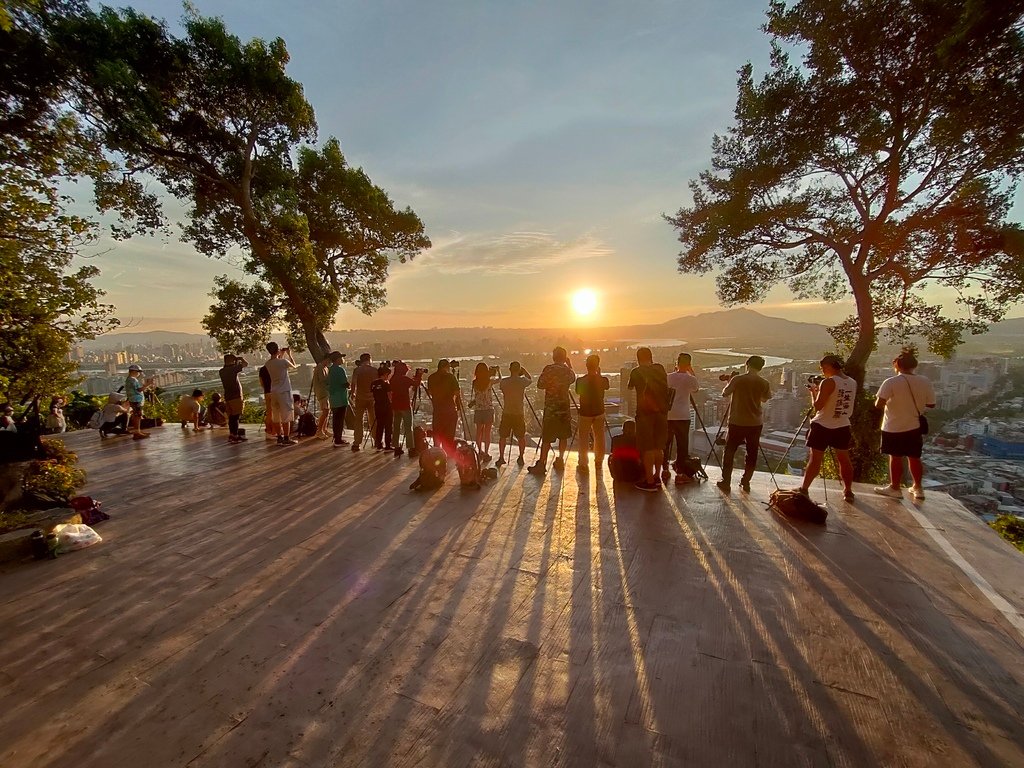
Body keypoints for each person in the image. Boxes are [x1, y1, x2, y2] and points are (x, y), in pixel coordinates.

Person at [874, 348, 936, 501]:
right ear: (914, 365)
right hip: (914, 425)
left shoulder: (890, 382)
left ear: (897, 365)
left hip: (893, 425)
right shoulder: (925, 381)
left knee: (895, 457)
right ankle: (918, 488)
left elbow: (878, 404)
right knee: (914, 457)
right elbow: (931, 404)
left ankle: (895, 487)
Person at [796, 355, 858, 502]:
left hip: (823, 425)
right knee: (844, 459)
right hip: (842, 424)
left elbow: (818, 406)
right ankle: (848, 491)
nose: (822, 371)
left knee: (815, 459)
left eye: (823, 367)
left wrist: (813, 394)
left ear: (829, 366)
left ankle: (804, 489)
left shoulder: (829, 382)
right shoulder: (852, 382)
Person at [716, 355, 772, 493]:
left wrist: (729, 382)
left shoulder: (738, 379)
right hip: (755, 422)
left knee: (729, 451)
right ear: (760, 367)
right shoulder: (764, 383)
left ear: (747, 364)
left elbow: (725, 393)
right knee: (752, 453)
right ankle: (746, 482)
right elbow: (765, 399)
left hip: (737, 421)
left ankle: (726, 481)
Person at [627, 347, 671, 491]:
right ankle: (657, 477)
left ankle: (649, 481)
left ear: (638, 358)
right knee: (659, 447)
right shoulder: (660, 368)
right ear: (651, 357)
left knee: (648, 448)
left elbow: (630, 387)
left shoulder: (636, 371)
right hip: (662, 413)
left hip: (645, 414)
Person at [529, 347, 575, 475]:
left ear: (553, 357)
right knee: (563, 436)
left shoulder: (548, 369)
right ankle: (560, 459)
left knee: (547, 437)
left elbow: (540, 384)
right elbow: (573, 379)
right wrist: (569, 365)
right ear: (564, 357)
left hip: (551, 409)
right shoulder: (567, 371)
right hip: (564, 409)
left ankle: (542, 463)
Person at [665, 353, 700, 483]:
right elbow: (696, 389)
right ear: (689, 364)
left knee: (666, 443)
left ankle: (664, 469)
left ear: (677, 363)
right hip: (683, 416)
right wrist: (691, 372)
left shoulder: (668, 377)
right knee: (682, 445)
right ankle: (680, 474)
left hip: (668, 415)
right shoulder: (690, 379)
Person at [574, 354, 609, 474]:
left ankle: (583, 463)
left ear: (586, 366)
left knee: (583, 438)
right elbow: (606, 386)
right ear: (597, 366)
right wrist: (599, 374)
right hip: (599, 411)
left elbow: (579, 391)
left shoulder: (581, 380)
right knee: (599, 437)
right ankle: (599, 461)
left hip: (585, 412)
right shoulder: (603, 380)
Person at [497, 362, 532, 467]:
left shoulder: (504, 382)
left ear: (509, 369)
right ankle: (521, 457)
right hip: (518, 413)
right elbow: (530, 379)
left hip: (507, 412)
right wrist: (524, 371)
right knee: (521, 437)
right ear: (519, 369)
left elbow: (501, 387)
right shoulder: (522, 381)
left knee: (503, 436)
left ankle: (501, 457)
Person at [264, 342, 298, 446]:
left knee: (276, 416)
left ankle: (279, 437)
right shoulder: (283, 361)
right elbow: (294, 366)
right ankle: (287, 438)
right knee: (286, 416)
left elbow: (277, 363)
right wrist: (289, 354)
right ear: (278, 349)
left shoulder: (268, 364)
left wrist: (280, 354)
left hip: (273, 391)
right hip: (284, 392)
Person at [426, 359, 461, 455]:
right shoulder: (451, 377)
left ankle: (437, 451)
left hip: (437, 409)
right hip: (449, 408)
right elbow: (457, 392)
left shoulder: (431, 378)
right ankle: (448, 451)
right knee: (449, 432)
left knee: (437, 431)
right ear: (446, 367)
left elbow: (430, 392)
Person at [390, 361, 424, 458]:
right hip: (405, 405)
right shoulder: (404, 379)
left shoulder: (393, 379)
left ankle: (396, 447)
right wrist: (419, 375)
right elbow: (416, 384)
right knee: (408, 428)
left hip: (395, 406)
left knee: (396, 427)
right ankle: (411, 448)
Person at [349, 353, 377, 452]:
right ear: (369, 359)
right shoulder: (374, 371)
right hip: (372, 398)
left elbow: (353, 384)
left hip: (360, 398)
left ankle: (357, 442)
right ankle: (377, 440)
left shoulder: (357, 370)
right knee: (373, 420)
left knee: (358, 420)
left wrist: (353, 394)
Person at [218, 353, 248, 443]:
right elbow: (245, 364)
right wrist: (241, 359)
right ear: (231, 361)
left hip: (228, 396)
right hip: (236, 396)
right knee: (236, 416)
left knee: (231, 417)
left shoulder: (222, 371)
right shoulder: (232, 369)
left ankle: (232, 434)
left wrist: (234, 361)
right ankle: (234, 435)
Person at [471, 362, 497, 463]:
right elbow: (500, 379)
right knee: (487, 433)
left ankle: (479, 451)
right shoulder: (489, 382)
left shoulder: (474, 382)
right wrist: (498, 371)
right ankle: (486, 452)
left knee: (479, 432)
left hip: (478, 410)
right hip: (488, 409)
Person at [326, 351, 350, 447]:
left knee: (336, 419)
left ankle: (336, 437)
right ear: (337, 359)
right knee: (340, 419)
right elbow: (344, 383)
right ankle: (338, 439)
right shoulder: (340, 370)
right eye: (341, 358)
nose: (343, 359)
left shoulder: (331, 369)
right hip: (340, 397)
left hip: (333, 397)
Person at [124, 364, 151, 440]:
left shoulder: (129, 379)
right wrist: (147, 385)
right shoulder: (133, 380)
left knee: (136, 416)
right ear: (133, 371)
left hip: (133, 400)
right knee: (137, 416)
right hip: (136, 400)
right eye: (138, 371)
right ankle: (137, 433)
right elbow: (139, 389)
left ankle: (138, 431)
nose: (139, 373)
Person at [371, 364, 394, 451]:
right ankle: (388, 445)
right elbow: (390, 396)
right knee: (388, 426)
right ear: (385, 374)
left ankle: (378, 444)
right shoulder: (386, 384)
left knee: (379, 425)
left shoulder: (373, 383)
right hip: (387, 407)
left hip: (377, 406)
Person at [312, 352, 332, 439]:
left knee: (327, 411)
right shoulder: (320, 367)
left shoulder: (325, 368)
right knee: (325, 411)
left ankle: (324, 429)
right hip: (322, 392)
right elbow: (322, 379)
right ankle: (319, 430)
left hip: (325, 392)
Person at [257, 359, 277, 441]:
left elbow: (261, 383)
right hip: (275, 391)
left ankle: (268, 431)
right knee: (276, 413)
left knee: (269, 413)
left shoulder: (262, 369)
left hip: (267, 392)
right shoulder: (274, 368)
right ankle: (274, 431)